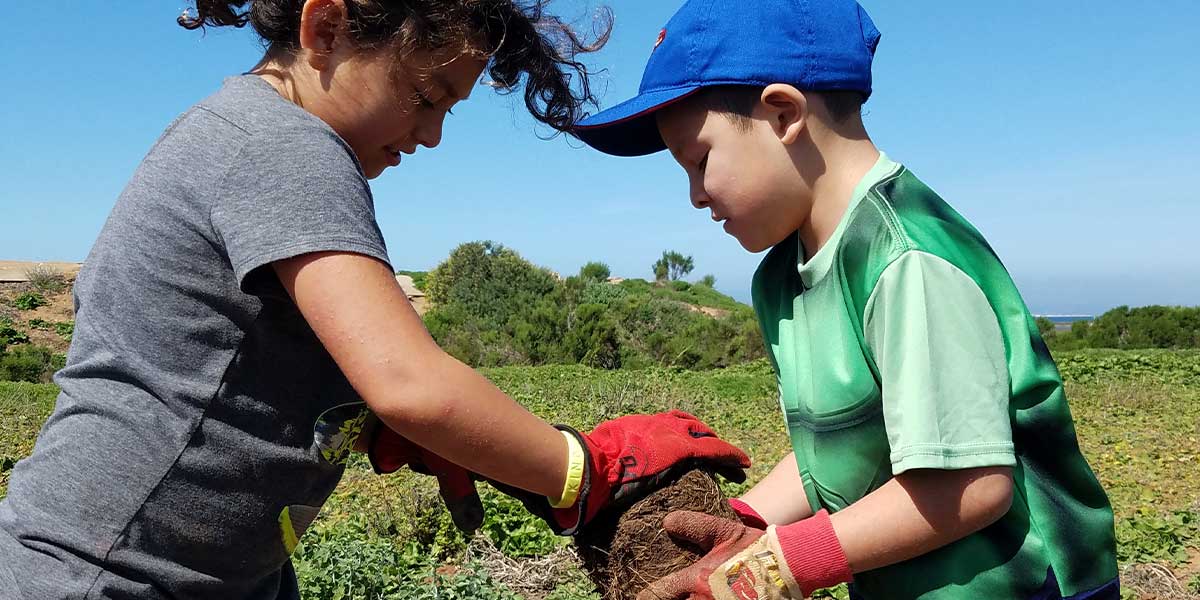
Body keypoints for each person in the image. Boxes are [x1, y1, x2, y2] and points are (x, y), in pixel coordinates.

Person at [0, 1, 751, 598]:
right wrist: (585, 471)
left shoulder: (243, 138)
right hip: (108, 572)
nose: (431, 135)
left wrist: (365, 420)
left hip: (216, 575)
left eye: (449, 108)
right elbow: (407, 381)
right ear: (323, 27)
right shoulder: (283, 144)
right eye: (426, 95)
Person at [566, 0, 1120, 598]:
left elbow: (970, 486)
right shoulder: (782, 277)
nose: (696, 195)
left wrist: (774, 567)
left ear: (783, 115)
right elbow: (837, 459)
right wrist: (736, 529)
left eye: (700, 161)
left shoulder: (906, 260)